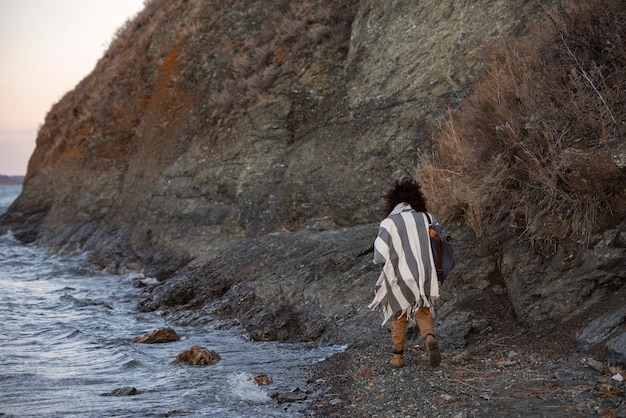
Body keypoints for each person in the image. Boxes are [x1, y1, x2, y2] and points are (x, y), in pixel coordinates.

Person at [368, 177, 442, 368]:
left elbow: (379, 255)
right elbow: (439, 243)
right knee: (423, 311)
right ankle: (428, 338)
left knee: (400, 314)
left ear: (393, 200)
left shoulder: (389, 223)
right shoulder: (427, 218)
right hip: (426, 272)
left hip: (401, 275)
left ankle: (397, 357)